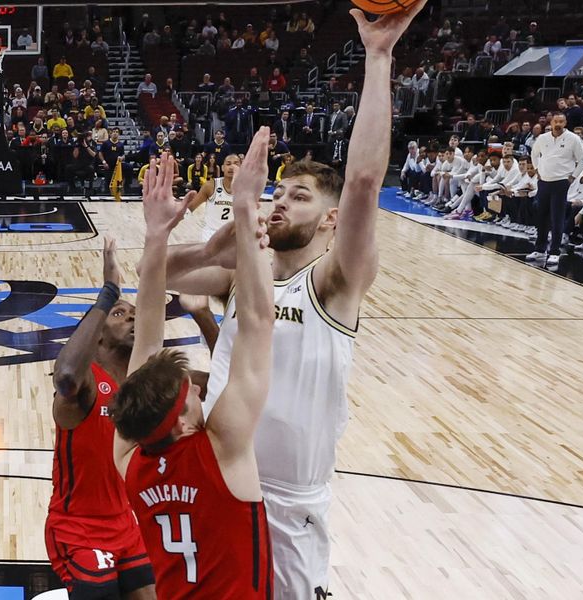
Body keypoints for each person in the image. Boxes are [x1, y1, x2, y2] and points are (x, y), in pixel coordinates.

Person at [160, 4, 426, 597]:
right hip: (215, 472)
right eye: (278, 192)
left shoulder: (336, 282)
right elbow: (157, 274)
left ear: (331, 219)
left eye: (299, 197)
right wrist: (217, 240)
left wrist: (378, 57)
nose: (280, 202)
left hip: (288, 500)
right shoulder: (244, 273)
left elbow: (362, 182)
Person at [112, 138, 274, 598]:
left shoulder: (131, 462)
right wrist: (247, 209)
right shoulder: (221, 451)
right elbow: (260, 321)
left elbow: (146, 341)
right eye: (194, 395)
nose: (201, 391)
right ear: (183, 424)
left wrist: (157, 236)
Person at [46, 237, 157, 600]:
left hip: (126, 523)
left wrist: (203, 314)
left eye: (135, 313)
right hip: (78, 529)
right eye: (120, 314)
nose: (131, 318)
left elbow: (217, 383)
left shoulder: (142, 382)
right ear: (96, 336)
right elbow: (64, 376)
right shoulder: (87, 383)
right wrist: (108, 294)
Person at [527, 112, 583, 266]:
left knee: (557, 217)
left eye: (561, 121)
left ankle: (554, 252)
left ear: (565, 122)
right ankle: (540, 250)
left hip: (561, 182)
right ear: (552, 122)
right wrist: (537, 169)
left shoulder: (573, 139)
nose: (558, 124)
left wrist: (572, 177)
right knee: (541, 217)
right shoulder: (543, 138)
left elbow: (582, 160)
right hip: (544, 182)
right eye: (556, 121)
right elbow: (534, 154)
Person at [187, 153, 241, 241]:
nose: (232, 167)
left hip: (233, 236)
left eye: (236, 164)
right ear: (223, 168)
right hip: (211, 234)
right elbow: (191, 207)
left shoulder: (246, 190)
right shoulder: (210, 186)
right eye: (228, 164)